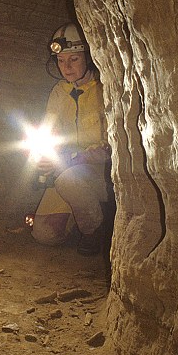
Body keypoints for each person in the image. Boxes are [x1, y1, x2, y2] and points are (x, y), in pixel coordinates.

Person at [39, 22, 113, 256]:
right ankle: (86, 216)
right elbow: (47, 131)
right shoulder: (59, 92)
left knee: (69, 180)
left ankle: (96, 230)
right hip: (70, 171)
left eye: (74, 59)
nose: (66, 68)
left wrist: (75, 157)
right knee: (45, 234)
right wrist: (42, 157)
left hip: (103, 175)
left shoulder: (105, 89)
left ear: (88, 57)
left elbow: (114, 147)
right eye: (61, 61)